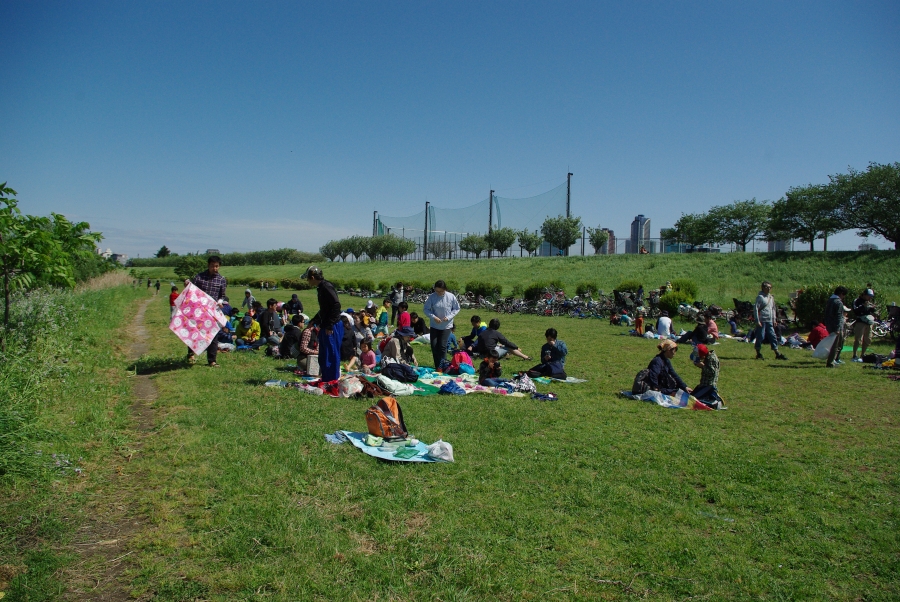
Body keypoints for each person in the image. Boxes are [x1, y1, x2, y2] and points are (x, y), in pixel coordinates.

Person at [183, 256, 227, 367]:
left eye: (216, 266)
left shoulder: (221, 280)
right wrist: (187, 284)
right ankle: (190, 354)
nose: (214, 268)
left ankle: (212, 360)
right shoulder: (199, 277)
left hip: (212, 311)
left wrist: (220, 301)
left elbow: (222, 295)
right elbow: (191, 288)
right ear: (208, 265)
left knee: (213, 335)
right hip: (198, 310)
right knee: (194, 332)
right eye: (212, 266)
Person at [303, 265, 343, 381]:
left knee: (331, 354)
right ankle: (326, 378)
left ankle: (332, 380)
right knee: (324, 354)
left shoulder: (326, 286)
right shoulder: (321, 288)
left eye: (308, 278)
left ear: (312, 277)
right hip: (326, 324)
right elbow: (324, 309)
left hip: (332, 326)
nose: (307, 281)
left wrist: (330, 324)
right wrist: (314, 320)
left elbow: (336, 305)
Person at [422, 279, 461, 369]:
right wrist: (433, 317)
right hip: (434, 325)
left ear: (445, 289)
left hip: (446, 326)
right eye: (437, 291)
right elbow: (426, 309)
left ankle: (443, 366)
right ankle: (437, 366)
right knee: (434, 345)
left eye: (441, 291)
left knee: (442, 346)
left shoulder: (451, 297)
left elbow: (456, 308)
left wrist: (449, 317)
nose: (438, 293)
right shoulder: (432, 297)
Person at [753, 281, 787, 361]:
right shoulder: (760, 297)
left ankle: (777, 352)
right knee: (760, 336)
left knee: (773, 336)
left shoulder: (771, 297)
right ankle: (758, 352)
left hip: (769, 320)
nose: (769, 289)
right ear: (763, 288)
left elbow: (773, 309)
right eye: (767, 287)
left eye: (770, 287)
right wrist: (757, 320)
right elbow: (756, 309)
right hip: (762, 320)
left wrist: (774, 319)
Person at [824, 286, 849, 368]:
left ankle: (833, 360)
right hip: (836, 327)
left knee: (834, 344)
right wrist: (838, 328)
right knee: (835, 345)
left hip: (829, 325)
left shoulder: (829, 300)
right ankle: (831, 362)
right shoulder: (838, 302)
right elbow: (838, 316)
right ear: (841, 294)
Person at [851, 288, 876, 362]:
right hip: (860, 321)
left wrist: (873, 308)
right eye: (869, 296)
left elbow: (870, 311)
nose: (870, 298)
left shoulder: (869, 301)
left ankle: (863, 354)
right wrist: (863, 306)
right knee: (858, 339)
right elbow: (855, 311)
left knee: (868, 339)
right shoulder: (857, 301)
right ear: (864, 295)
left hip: (869, 322)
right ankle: (855, 355)